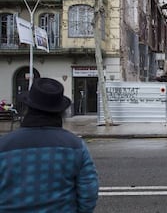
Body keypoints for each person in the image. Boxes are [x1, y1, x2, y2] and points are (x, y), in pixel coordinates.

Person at [0, 77, 99, 212]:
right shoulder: (75, 146)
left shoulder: (4, 146)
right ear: (60, 112)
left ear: (28, 108)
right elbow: (88, 194)